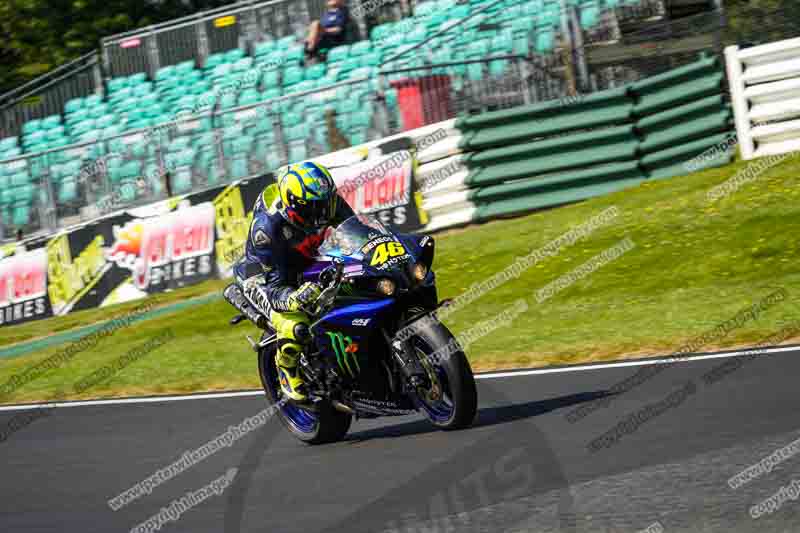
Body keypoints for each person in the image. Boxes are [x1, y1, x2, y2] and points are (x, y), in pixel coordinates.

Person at [234, 161, 354, 402]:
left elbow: (357, 232)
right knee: (296, 323)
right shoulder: (267, 229)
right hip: (262, 275)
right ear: (295, 207)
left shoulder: (328, 203)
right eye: (314, 209)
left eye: (326, 204)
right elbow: (276, 286)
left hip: (305, 257)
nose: (322, 214)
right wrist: (293, 297)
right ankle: (286, 367)